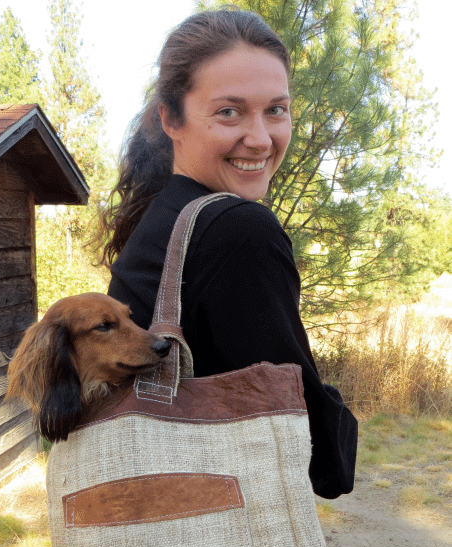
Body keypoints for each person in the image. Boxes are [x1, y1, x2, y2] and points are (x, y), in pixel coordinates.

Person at [99, 8, 357, 501]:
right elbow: (321, 459)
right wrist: (337, 416)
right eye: (229, 112)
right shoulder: (237, 231)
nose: (260, 139)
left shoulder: (159, 219)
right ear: (170, 118)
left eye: (276, 110)